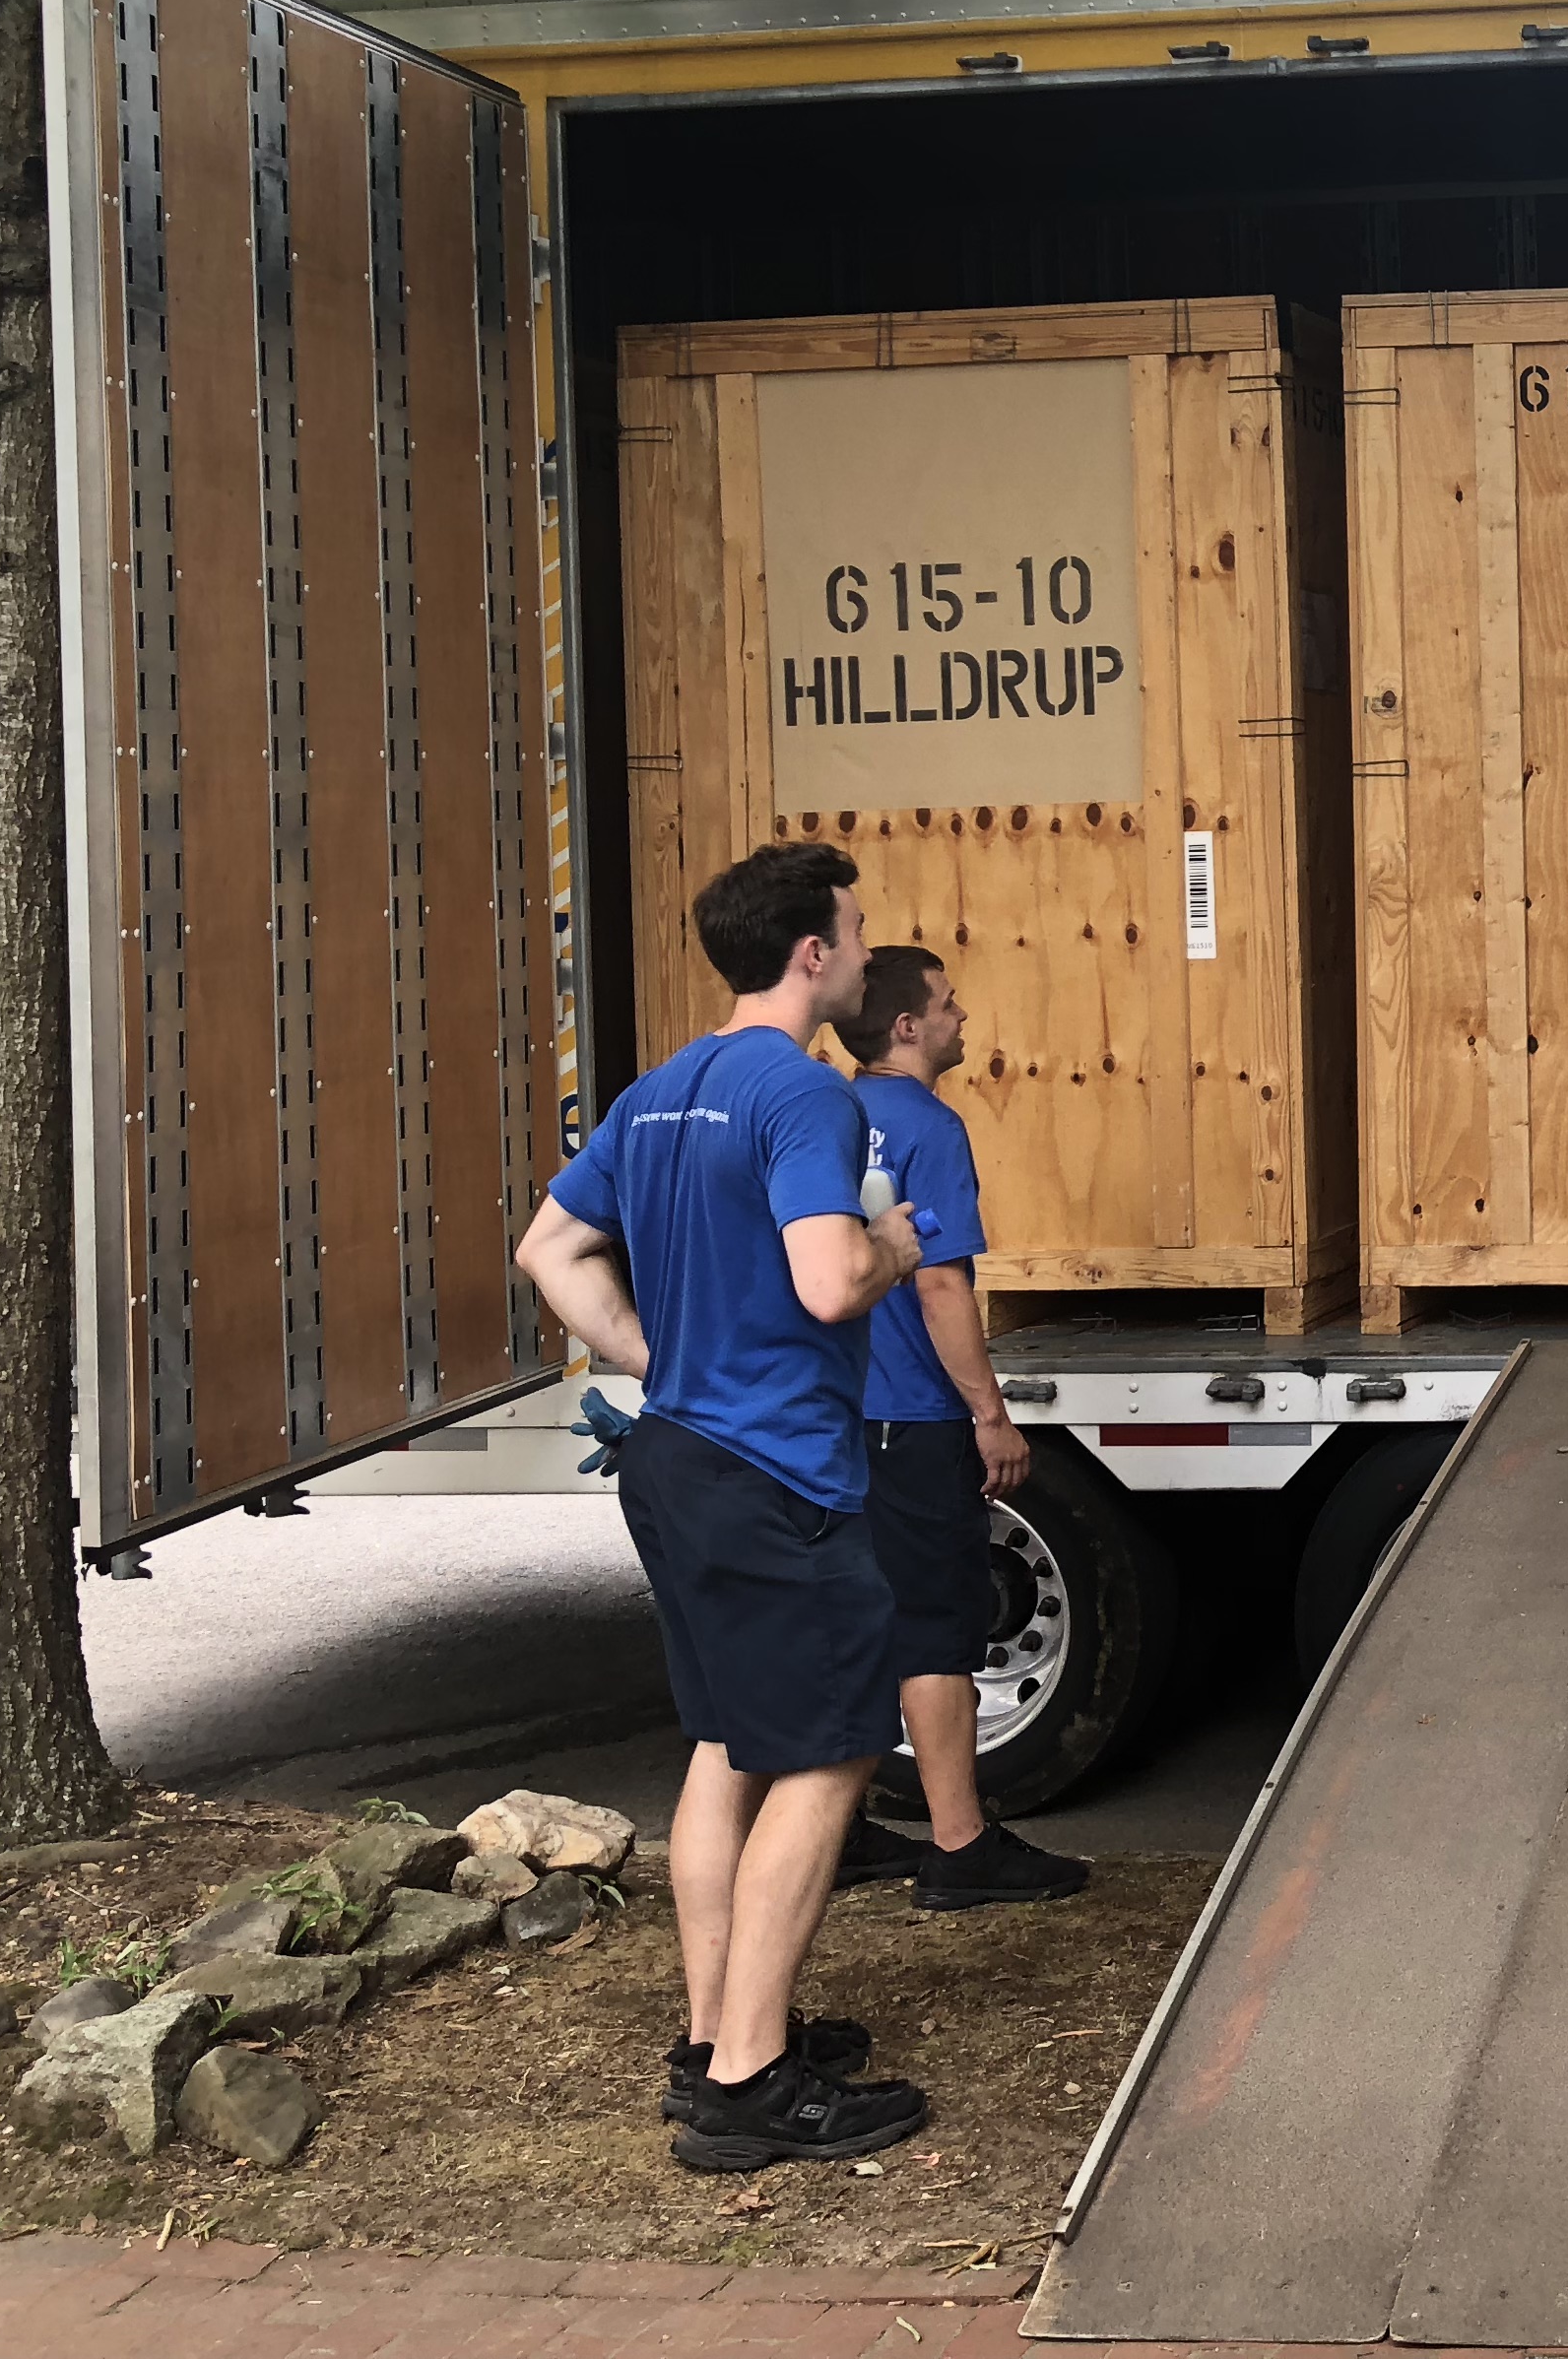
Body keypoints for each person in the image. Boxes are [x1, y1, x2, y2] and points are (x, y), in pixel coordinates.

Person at [512, 840, 931, 2172]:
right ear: (811, 953)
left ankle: (717, 2036)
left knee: (726, 1747)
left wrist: (649, 1353)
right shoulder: (806, 1098)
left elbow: (548, 1250)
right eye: (857, 931)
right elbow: (826, 1282)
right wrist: (901, 1249)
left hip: (678, 1457)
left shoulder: (660, 1089)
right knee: (826, 1753)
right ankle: (751, 2084)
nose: (866, 952)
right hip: (778, 1471)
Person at [828, 945, 1089, 1909]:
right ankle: (960, 1848)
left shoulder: (828, 1114)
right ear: (907, 1027)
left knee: (857, 1625)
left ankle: (840, 1826)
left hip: (834, 1417)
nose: (962, 1016)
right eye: (947, 1004)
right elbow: (939, 1282)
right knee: (936, 1631)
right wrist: (991, 1412)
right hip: (912, 1414)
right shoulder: (927, 1127)